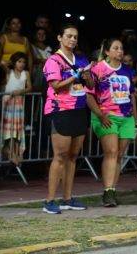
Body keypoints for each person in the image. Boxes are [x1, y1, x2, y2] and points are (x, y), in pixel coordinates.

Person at [42, 24, 93, 214]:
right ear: (59, 38)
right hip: (60, 110)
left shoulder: (81, 59)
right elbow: (56, 85)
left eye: (75, 37)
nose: (72, 40)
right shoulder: (53, 61)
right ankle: (49, 200)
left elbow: (90, 84)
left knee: (73, 156)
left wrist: (87, 76)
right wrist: (76, 75)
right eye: (69, 36)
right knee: (60, 156)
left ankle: (67, 198)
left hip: (79, 110)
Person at [88, 38, 137, 207]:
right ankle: (107, 191)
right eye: (116, 48)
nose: (120, 51)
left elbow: (132, 96)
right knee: (111, 152)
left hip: (126, 117)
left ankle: (112, 191)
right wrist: (100, 115)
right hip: (106, 116)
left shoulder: (128, 71)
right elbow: (89, 96)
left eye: (121, 48)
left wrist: (135, 120)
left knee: (119, 155)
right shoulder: (98, 69)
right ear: (107, 52)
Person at [0, 52, 31, 166]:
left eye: (23, 62)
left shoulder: (25, 73)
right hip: (8, 104)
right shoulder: (10, 72)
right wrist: (11, 63)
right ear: (14, 63)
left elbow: (29, 87)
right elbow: (2, 63)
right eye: (19, 61)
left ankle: (18, 154)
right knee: (10, 129)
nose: (22, 64)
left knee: (18, 129)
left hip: (19, 104)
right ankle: (10, 153)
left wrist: (20, 91)